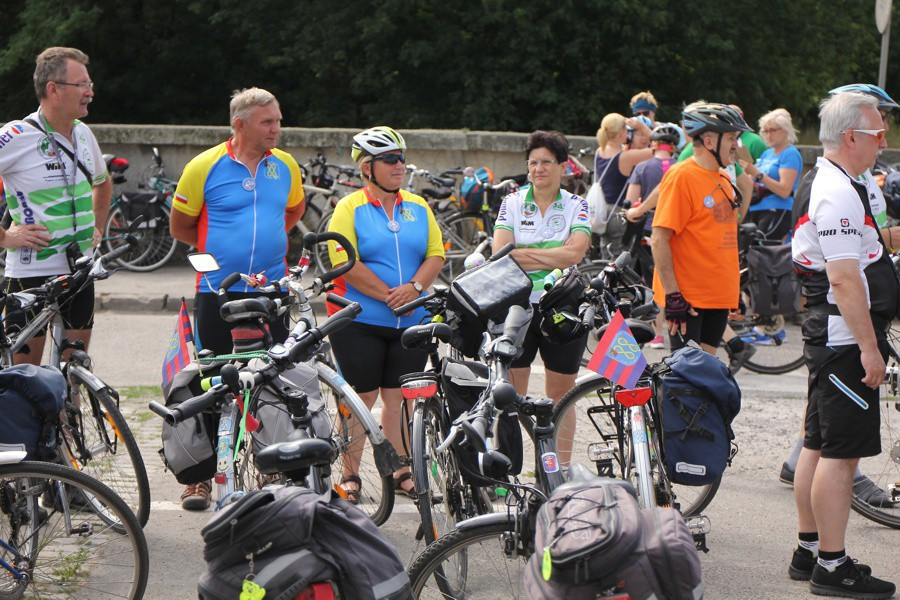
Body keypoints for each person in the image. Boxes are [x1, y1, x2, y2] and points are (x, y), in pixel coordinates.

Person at [169, 87, 306, 509]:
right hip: (217, 292)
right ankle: (200, 477)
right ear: (240, 125)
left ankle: (271, 463)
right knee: (211, 382)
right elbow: (180, 227)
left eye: (278, 120)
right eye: (268, 122)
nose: (276, 129)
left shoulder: (285, 165)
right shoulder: (203, 165)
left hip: (271, 291)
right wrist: (222, 256)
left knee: (273, 380)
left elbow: (292, 214)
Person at [788, 91, 895, 598]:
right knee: (842, 454)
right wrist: (870, 350)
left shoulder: (841, 181)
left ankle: (809, 550)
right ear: (851, 137)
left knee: (817, 441)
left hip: (829, 334)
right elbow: (846, 280)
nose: (885, 140)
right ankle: (832, 564)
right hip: (841, 337)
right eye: (878, 133)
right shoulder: (836, 190)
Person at [326, 126, 445, 502]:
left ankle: (400, 469)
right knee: (360, 398)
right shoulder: (349, 207)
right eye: (391, 160)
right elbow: (343, 259)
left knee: (402, 399)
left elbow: (436, 253)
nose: (400, 166)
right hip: (360, 321)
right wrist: (390, 295)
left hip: (411, 319)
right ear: (367, 167)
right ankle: (350, 474)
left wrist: (415, 290)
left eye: (402, 159)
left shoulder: (418, 205)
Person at [0, 47, 110, 366]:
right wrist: (6, 237)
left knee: (74, 371)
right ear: (54, 89)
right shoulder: (17, 135)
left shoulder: (84, 133)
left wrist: (98, 226)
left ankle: (70, 414)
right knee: (25, 382)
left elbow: (103, 182)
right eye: (82, 85)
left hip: (80, 270)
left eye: (90, 84)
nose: (90, 92)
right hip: (32, 273)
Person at [493, 130, 591, 464]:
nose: (538, 169)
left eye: (547, 162)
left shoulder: (577, 204)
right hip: (517, 303)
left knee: (561, 394)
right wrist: (554, 253)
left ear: (563, 167)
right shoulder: (512, 202)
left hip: (562, 303)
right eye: (533, 162)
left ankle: (558, 469)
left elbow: (575, 254)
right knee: (511, 395)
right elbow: (502, 254)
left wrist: (528, 252)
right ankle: (511, 469)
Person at [650, 103, 751, 354]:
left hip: (717, 296)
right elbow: (659, 239)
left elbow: (719, 237)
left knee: (704, 375)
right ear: (708, 142)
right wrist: (673, 295)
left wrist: (733, 291)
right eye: (730, 138)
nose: (736, 145)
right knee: (686, 381)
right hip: (689, 298)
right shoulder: (682, 176)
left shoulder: (724, 179)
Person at [623, 123, 681, 349]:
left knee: (651, 279)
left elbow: (632, 200)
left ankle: (656, 333)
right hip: (675, 230)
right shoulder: (680, 167)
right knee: (670, 276)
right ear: (674, 147)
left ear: (654, 144)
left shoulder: (642, 167)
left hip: (648, 228)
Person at [594, 113, 653, 259]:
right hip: (618, 213)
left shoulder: (599, 152)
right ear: (621, 134)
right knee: (621, 263)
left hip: (603, 212)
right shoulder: (625, 157)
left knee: (606, 260)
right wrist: (643, 128)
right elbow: (661, 149)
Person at [739, 108, 802, 242]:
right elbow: (754, 179)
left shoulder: (790, 153)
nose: (768, 135)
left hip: (776, 209)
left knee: (764, 251)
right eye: (765, 131)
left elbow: (785, 190)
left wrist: (757, 174)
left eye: (772, 130)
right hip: (756, 208)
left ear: (785, 130)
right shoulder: (767, 153)